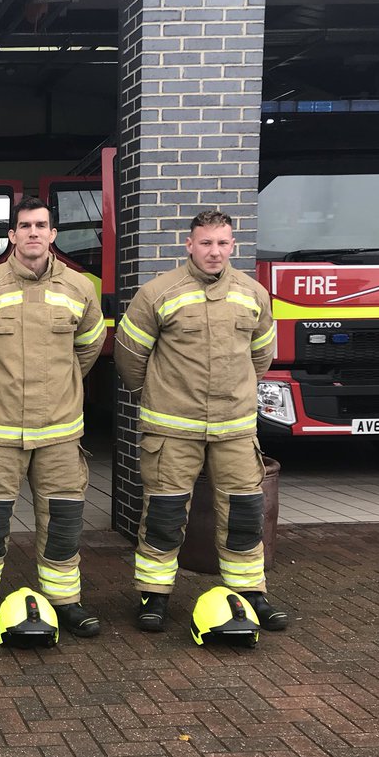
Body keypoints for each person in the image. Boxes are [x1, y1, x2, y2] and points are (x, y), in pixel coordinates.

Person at [114, 209, 289, 632]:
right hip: (172, 428)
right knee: (164, 513)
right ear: (189, 245)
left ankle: (251, 595)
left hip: (234, 427)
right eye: (206, 242)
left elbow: (262, 355)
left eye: (222, 243)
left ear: (233, 246)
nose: (215, 251)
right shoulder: (158, 292)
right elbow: (128, 357)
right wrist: (161, 394)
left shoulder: (253, 294)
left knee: (245, 514)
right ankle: (154, 597)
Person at [0, 197, 107, 641]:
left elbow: (89, 347)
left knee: (63, 521)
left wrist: (63, 387)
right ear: (11, 235)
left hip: (59, 433)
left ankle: (64, 603)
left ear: (53, 234)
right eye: (24, 226)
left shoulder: (80, 289)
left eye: (41, 225)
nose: (33, 232)